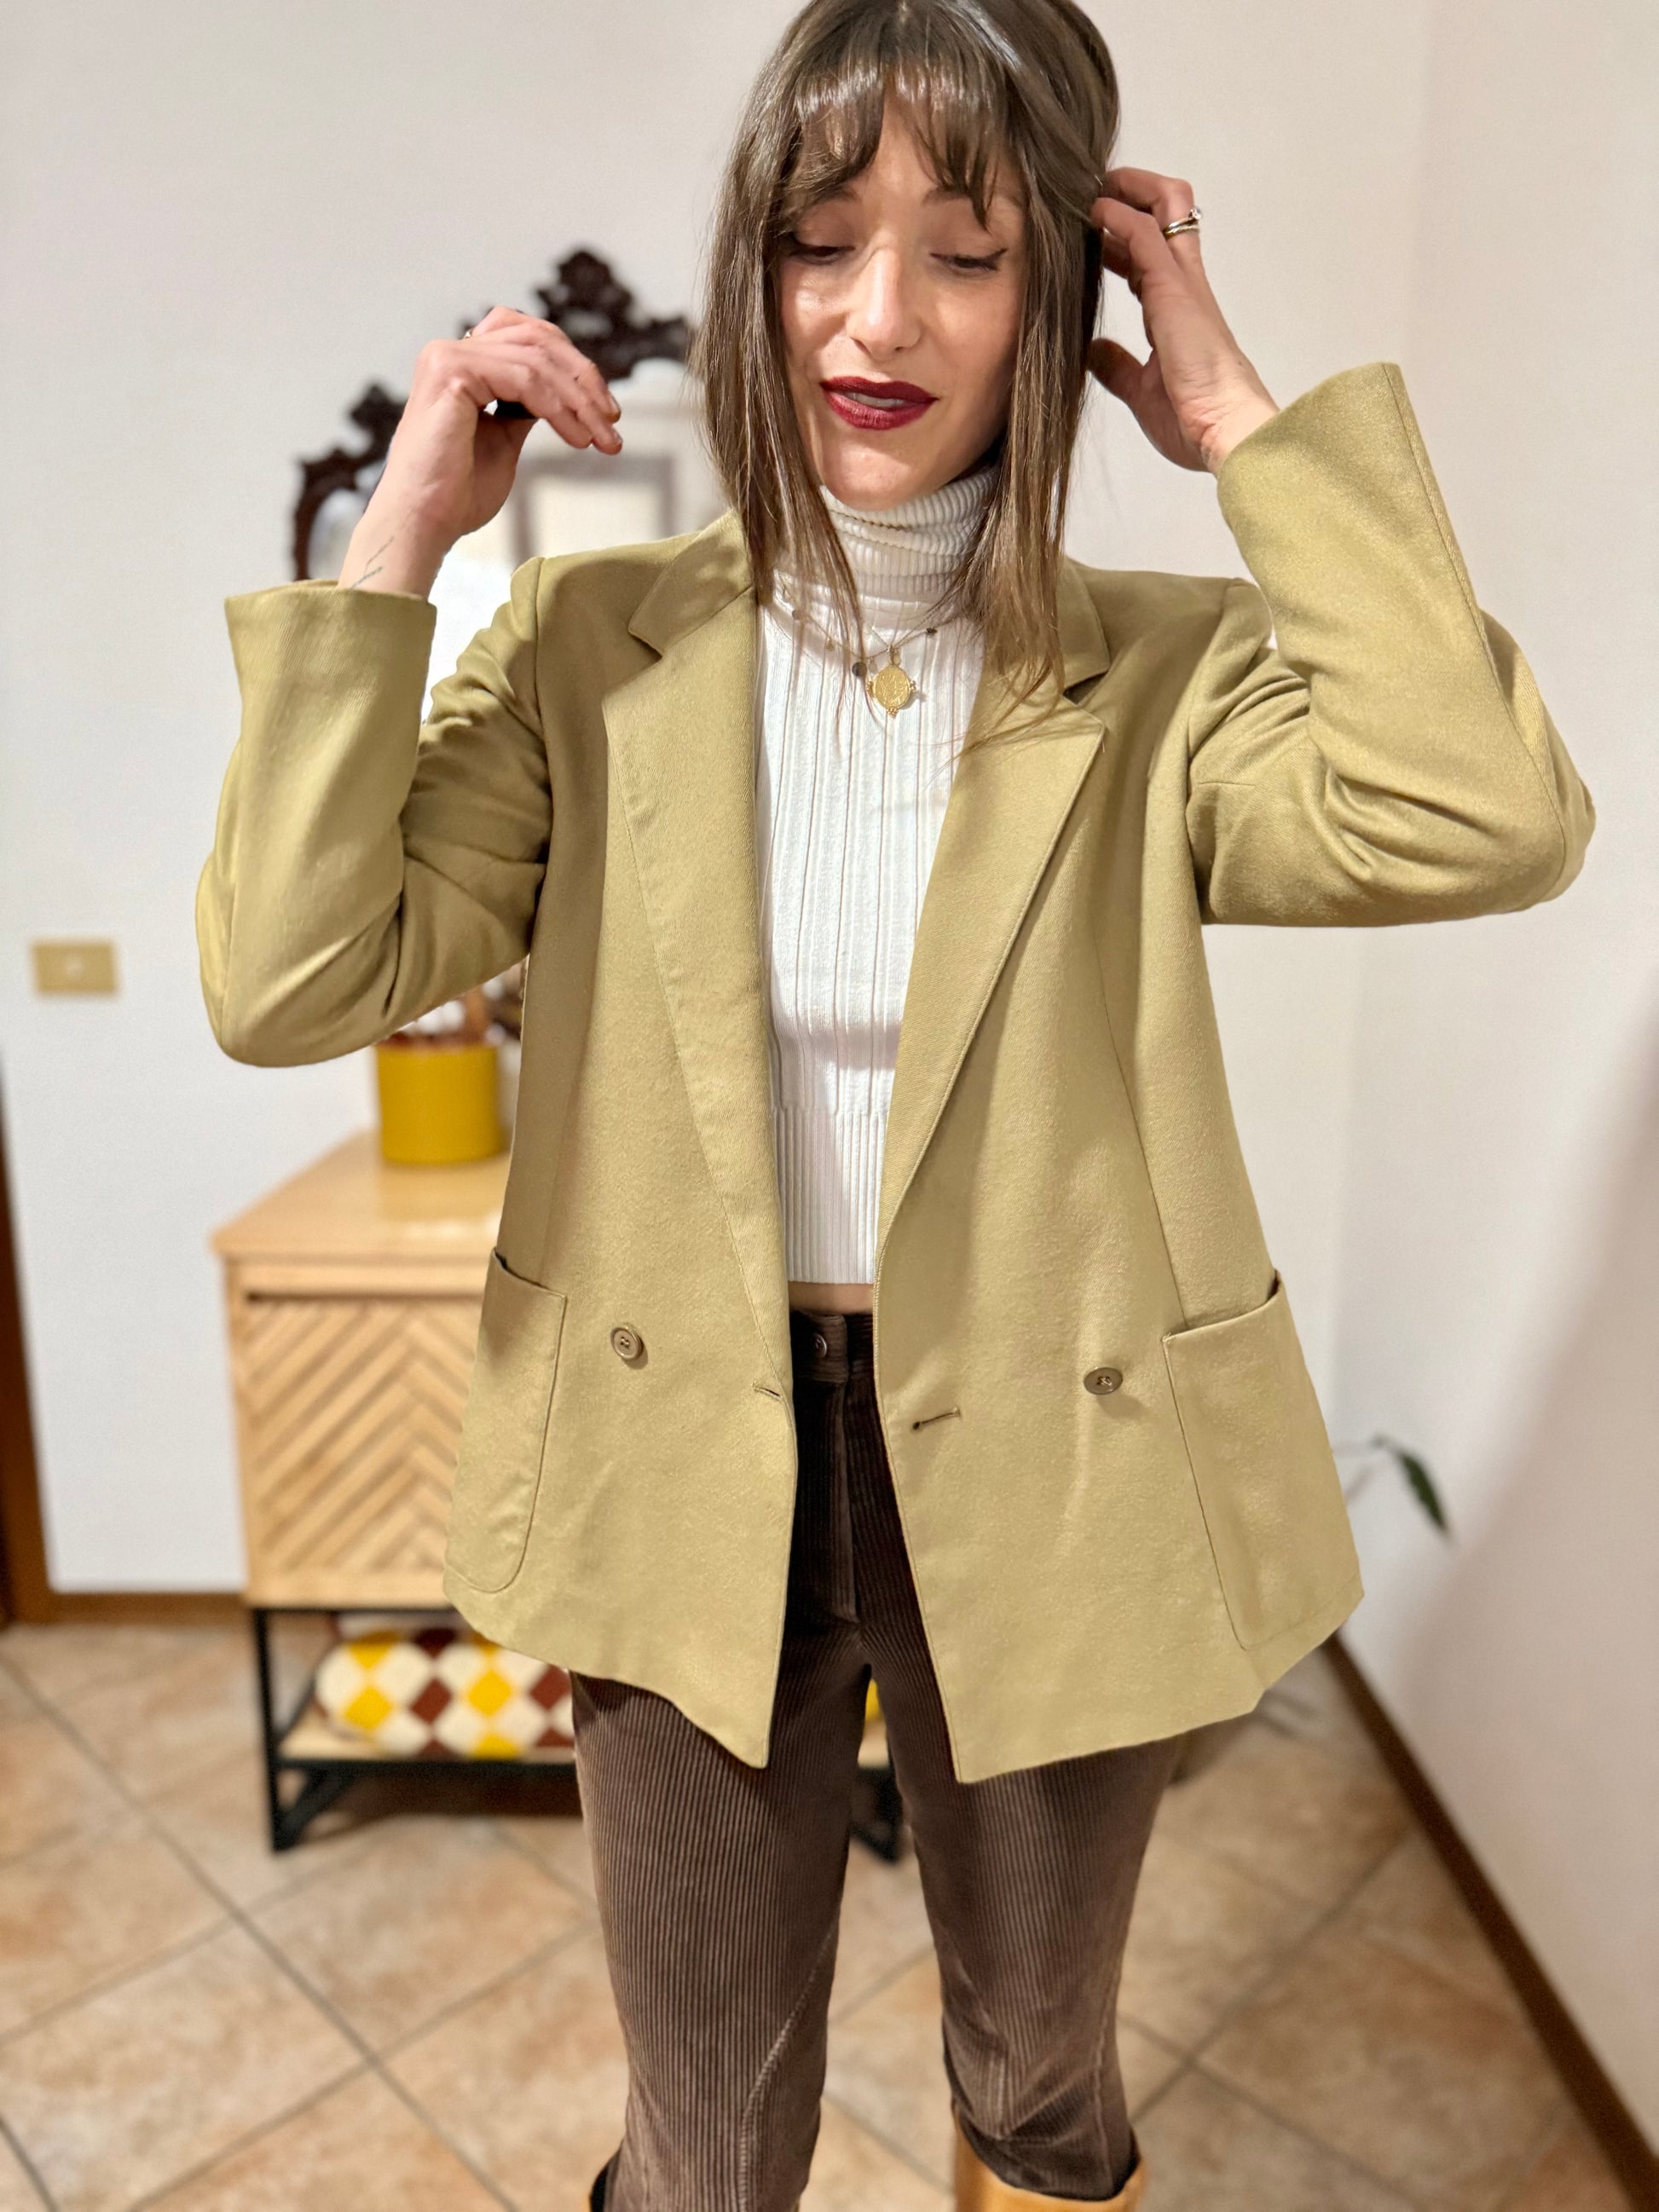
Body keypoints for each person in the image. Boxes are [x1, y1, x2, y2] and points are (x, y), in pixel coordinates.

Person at [198, 0, 1594, 2203]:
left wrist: (1240, 422)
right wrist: (400, 546)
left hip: (1060, 1437)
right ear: (750, 266)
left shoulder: (1163, 672)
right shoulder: (582, 646)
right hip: (679, 1444)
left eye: (964, 250)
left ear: (1058, 294)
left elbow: (1485, 814)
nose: (878, 318)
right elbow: (290, 976)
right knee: (705, 2127)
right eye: (821, 238)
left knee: (1035, 2075)